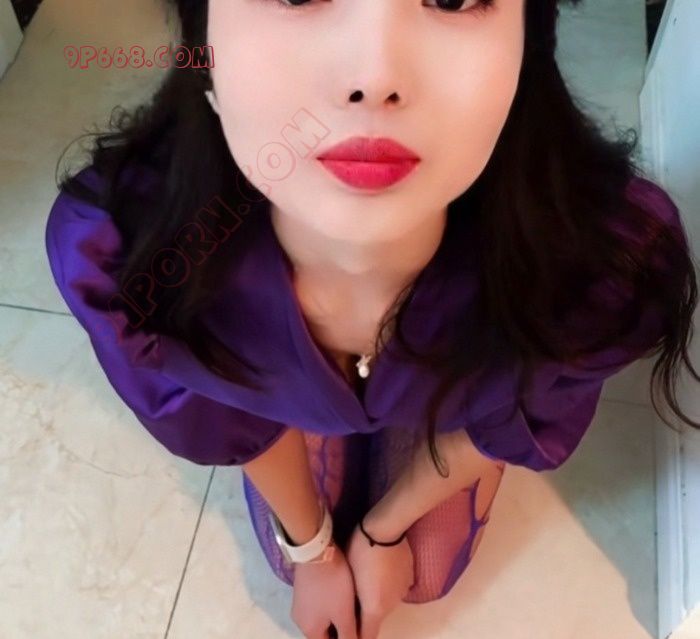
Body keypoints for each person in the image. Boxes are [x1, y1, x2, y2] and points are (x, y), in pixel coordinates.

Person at [44, 0, 699, 637]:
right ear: (204, 44)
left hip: (463, 388)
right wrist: (314, 552)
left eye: (452, 0)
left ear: (526, 47)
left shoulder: (597, 271)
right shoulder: (129, 265)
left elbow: (523, 412)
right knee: (290, 556)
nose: (374, 77)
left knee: (427, 571)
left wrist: (383, 530)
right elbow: (220, 413)